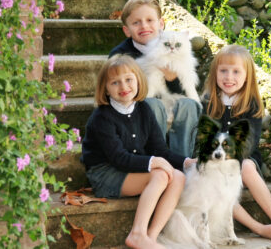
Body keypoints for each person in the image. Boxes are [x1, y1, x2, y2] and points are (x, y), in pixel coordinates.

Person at [81, 54, 196, 249]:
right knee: (160, 176)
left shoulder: (143, 109)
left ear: (138, 80)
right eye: (115, 83)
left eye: (128, 80)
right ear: (105, 88)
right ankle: (137, 233)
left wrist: (186, 162)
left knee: (178, 177)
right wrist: (153, 162)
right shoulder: (102, 117)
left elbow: (160, 150)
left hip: (131, 169)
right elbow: (118, 158)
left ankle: (150, 236)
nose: (124, 87)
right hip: (106, 172)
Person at [202, 44, 271, 243]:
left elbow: (249, 143)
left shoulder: (250, 104)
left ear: (247, 76)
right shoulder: (208, 102)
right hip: (215, 162)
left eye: (236, 71)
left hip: (244, 159)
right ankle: (259, 228)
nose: (229, 77)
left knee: (245, 167)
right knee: (215, 183)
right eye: (223, 71)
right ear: (215, 73)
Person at [108, 0, 201, 158]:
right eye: (136, 22)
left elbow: (188, 86)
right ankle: (153, 161)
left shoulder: (174, 45)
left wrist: (171, 78)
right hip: (138, 111)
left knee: (188, 105)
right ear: (126, 30)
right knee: (152, 104)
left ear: (161, 24)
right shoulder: (120, 54)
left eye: (150, 20)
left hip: (172, 106)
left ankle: (182, 160)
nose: (144, 26)